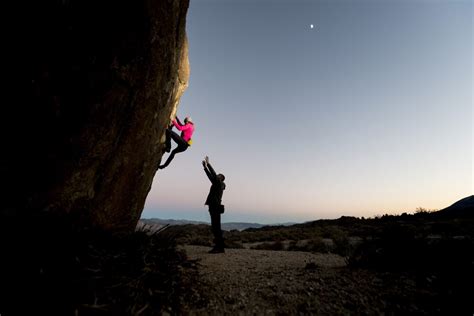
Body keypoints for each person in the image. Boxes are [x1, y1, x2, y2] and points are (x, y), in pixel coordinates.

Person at [202, 156, 226, 253]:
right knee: (215, 226)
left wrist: (208, 164)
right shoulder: (216, 184)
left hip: (215, 207)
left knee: (216, 227)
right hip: (214, 206)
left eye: (219, 175)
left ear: (221, 179)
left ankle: (219, 247)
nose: (217, 176)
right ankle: (220, 247)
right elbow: (211, 177)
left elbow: (213, 175)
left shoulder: (219, 184)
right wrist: (205, 167)